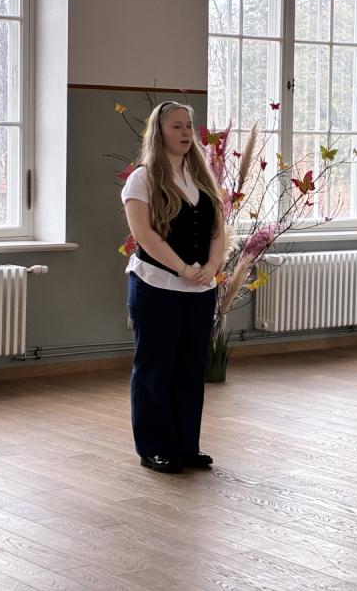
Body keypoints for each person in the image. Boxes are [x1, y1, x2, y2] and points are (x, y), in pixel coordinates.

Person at [121, 100, 226, 473]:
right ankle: (154, 448)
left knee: (190, 367)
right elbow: (144, 235)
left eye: (188, 126)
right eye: (176, 126)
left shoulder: (201, 177)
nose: (185, 133)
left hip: (200, 290)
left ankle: (185, 446)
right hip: (156, 286)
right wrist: (182, 268)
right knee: (156, 367)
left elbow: (218, 231)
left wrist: (211, 267)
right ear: (159, 132)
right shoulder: (143, 179)